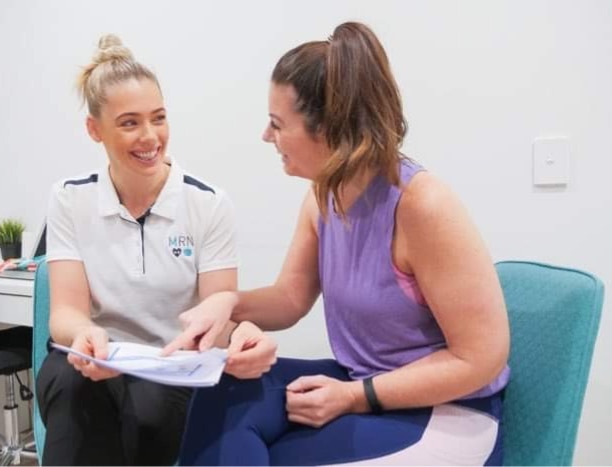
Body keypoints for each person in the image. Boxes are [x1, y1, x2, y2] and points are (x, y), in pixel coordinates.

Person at [166, 21, 510, 465]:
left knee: (280, 455)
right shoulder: (323, 196)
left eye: (276, 124)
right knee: (223, 392)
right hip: (360, 382)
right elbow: (290, 299)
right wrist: (227, 304)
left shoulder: (422, 205)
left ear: (328, 128)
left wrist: (355, 396)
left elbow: (479, 358)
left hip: (447, 414)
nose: (266, 136)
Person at [36, 34, 276, 466]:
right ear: (95, 129)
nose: (150, 137)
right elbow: (65, 314)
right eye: (129, 123)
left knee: (147, 409)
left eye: (159, 118)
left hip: (174, 367)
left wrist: (240, 335)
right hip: (99, 360)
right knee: (70, 383)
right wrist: (86, 337)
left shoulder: (207, 203)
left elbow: (218, 312)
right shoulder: (70, 198)